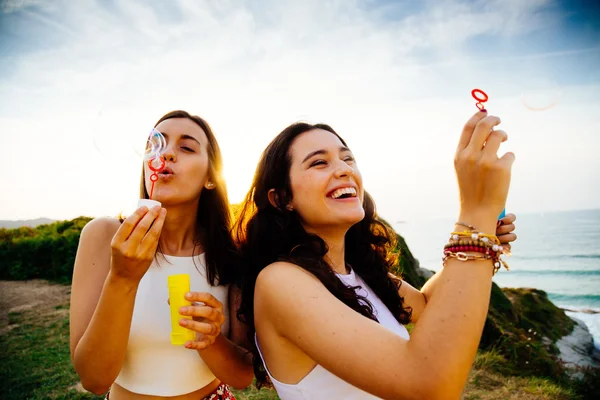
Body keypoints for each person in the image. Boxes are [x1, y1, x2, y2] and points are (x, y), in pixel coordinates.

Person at [234, 110, 517, 399]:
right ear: (282, 198)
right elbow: (428, 386)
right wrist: (475, 217)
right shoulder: (280, 282)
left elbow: (428, 305)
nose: (345, 170)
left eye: (347, 158)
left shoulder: (354, 272)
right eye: (319, 162)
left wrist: (483, 240)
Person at [70, 110, 253, 400]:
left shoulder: (231, 254)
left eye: (186, 147)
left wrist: (210, 340)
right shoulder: (104, 236)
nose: (166, 153)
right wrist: (123, 278)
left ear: (210, 177)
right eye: (156, 145)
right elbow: (94, 379)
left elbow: (242, 376)